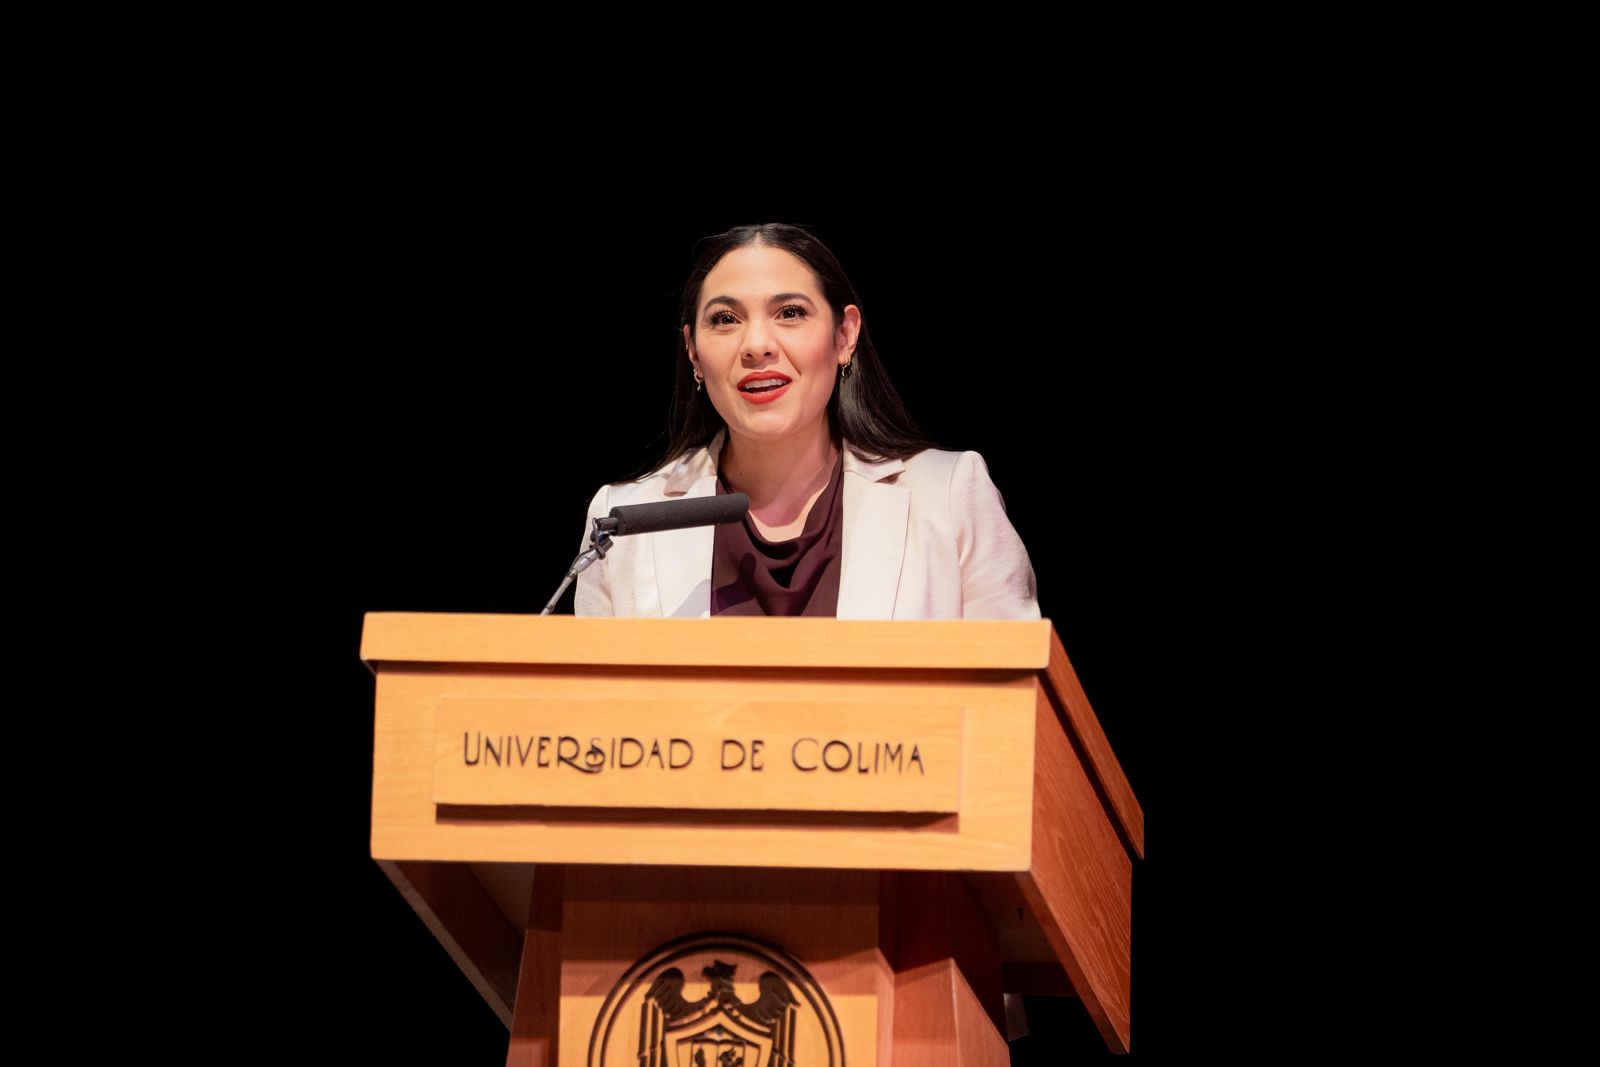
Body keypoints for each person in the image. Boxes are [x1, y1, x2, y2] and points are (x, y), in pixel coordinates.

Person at [574, 222, 1038, 621]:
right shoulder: (621, 522)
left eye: (790, 313)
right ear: (693, 351)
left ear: (844, 336)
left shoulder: (948, 497)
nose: (756, 345)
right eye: (726, 319)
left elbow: (1014, 689)